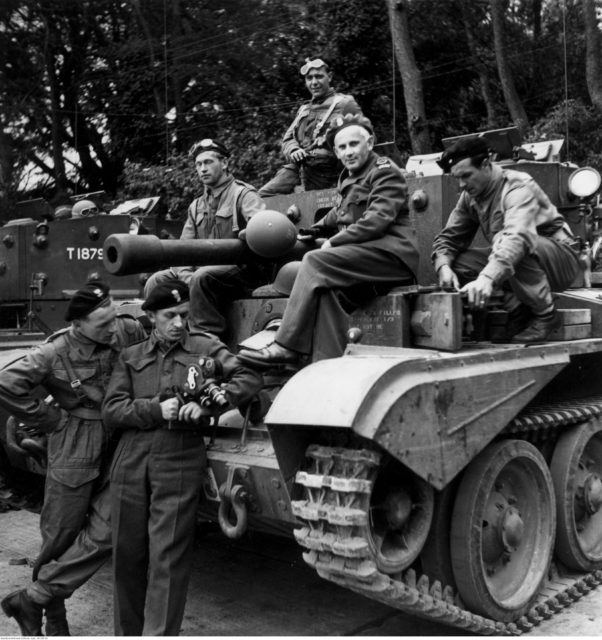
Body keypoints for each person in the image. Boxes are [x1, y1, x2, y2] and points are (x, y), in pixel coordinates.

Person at [101, 279, 262, 636]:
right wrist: (157, 409)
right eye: (170, 315)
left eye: (184, 315)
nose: (178, 323)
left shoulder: (205, 347)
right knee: (127, 557)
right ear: (151, 316)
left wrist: (205, 406)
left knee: (168, 558)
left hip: (179, 456)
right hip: (131, 460)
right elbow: (112, 410)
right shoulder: (132, 356)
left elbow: (249, 376)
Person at [0, 280, 146, 636]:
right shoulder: (53, 352)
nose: (113, 329)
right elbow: (5, 383)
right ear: (79, 323)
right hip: (75, 444)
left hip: (122, 440)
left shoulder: (127, 330)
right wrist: (49, 419)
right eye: (103, 323)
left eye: (113, 319)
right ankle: (52, 620)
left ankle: (33, 598)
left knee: (110, 529)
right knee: (59, 537)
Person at [239, 113, 419, 367]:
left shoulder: (384, 172)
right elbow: (342, 210)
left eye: (354, 144)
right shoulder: (348, 176)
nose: (349, 152)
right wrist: (317, 228)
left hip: (391, 256)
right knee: (323, 290)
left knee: (313, 261)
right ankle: (327, 363)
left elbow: (377, 220)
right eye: (342, 147)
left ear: (370, 143)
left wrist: (335, 241)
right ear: (335, 151)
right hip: (366, 256)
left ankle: (285, 345)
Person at [432, 135, 582, 342]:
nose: (461, 185)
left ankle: (546, 315)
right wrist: (443, 267)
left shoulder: (517, 187)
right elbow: (449, 238)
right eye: (456, 178)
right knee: (459, 263)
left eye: (466, 175)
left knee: (509, 243)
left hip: (560, 260)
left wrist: (486, 278)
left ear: (486, 164)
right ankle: (519, 310)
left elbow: (517, 237)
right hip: (519, 256)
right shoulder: (471, 197)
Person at [144, 138, 268, 338]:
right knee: (157, 280)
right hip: (203, 276)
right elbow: (182, 250)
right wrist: (186, 277)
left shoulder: (243, 195)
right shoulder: (196, 206)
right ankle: (164, 339)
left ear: (225, 163)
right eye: (198, 164)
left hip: (242, 271)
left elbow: (264, 230)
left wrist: (193, 279)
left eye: (208, 162)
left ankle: (205, 340)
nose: (202, 169)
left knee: (202, 277)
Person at [259, 57, 362, 196]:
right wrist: (294, 150)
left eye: (319, 76)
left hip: (330, 171)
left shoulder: (344, 103)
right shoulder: (303, 110)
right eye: (309, 78)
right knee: (263, 196)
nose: (314, 82)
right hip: (300, 168)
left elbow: (365, 135)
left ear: (329, 77)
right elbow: (287, 139)